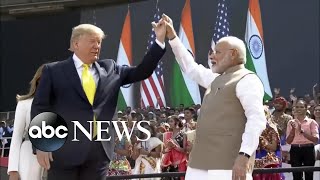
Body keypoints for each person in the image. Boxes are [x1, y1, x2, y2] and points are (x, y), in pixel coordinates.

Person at [31, 22, 166, 180]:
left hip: (98, 153)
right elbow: (40, 107)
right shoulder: (53, 71)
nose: (97, 46)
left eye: (99, 42)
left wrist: (159, 40)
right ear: (76, 43)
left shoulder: (111, 69)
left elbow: (142, 71)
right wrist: (41, 144)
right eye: (92, 41)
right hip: (63, 152)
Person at [160, 14, 266, 180]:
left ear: (233, 54)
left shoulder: (247, 80)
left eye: (217, 52)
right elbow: (190, 68)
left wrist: (244, 155)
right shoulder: (216, 78)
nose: (212, 56)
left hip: (227, 165)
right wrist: (172, 37)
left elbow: (257, 119)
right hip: (198, 164)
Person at [8, 64, 45, 180]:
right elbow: (16, 137)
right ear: (38, 80)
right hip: (28, 155)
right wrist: (13, 170)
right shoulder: (24, 104)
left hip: (55, 158)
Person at [286, 99, 319, 180]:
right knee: (296, 175)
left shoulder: (312, 122)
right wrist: (293, 130)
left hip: (308, 149)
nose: (299, 109)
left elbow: (315, 139)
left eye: (301, 107)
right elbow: (288, 141)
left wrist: (302, 131)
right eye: (297, 107)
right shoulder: (291, 122)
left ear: (305, 108)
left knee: (309, 175)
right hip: (295, 149)